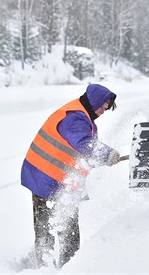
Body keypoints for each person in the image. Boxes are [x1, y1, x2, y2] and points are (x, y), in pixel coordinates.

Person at [20, 84, 121, 268]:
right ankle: (48, 268)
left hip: (60, 182)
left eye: (106, 108)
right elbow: (83, 143)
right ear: (93, 101)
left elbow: (79, 153)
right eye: (102, 106)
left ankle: (66, 268)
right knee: (49, 230)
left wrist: (101, 160)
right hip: (44, 177)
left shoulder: (84, 117)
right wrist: (106, 154)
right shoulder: (75, 117)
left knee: (66, 230)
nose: (103, 111)